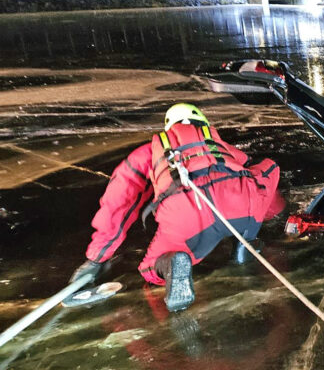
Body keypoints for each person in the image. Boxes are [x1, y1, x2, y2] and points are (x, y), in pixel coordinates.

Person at [70, 103, 285, 312]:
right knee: (262, 176)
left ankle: (173, 263)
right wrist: (273, 215)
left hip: (189, 214)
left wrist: (97, 258)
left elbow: (119, 202)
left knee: (150, 269)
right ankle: (245, 245)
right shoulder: (221, 147)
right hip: (244, 206)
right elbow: (255, 174)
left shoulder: (150, 152)